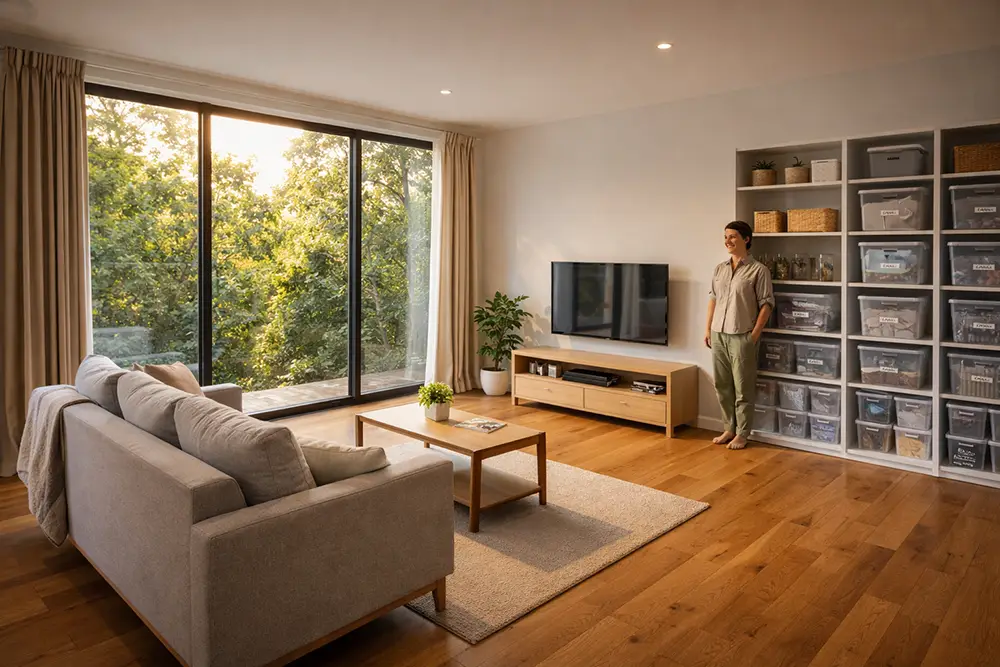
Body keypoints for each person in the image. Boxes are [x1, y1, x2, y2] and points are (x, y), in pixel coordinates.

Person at [704, 221, 774, 450]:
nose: (727, 241)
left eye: (733, 236)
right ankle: (729, 428)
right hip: (718, 334)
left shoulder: (758, 270)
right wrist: (707, 329)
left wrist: (753, 336)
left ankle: (743, 433)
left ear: (746, 239)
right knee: (722, 385)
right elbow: (713, 299)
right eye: (725, 236)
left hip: (741, 335)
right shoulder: (719, 269)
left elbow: (767, 304)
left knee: (743, 387)